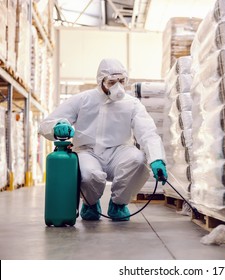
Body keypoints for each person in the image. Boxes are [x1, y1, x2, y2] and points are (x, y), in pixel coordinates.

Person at [39, 58, 167, 221]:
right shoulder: (82, 100)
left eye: (122, 81)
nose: (118, 87)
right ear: (101, 81)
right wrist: (57, 127)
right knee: (90, 174)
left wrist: (156, 158)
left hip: (120, 151)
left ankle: (118, 204)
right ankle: (90, 203)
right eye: (112, 82)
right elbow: (46, 124)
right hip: (88, 151)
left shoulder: (132, 104)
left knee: (138, 160)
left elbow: (148, 132)